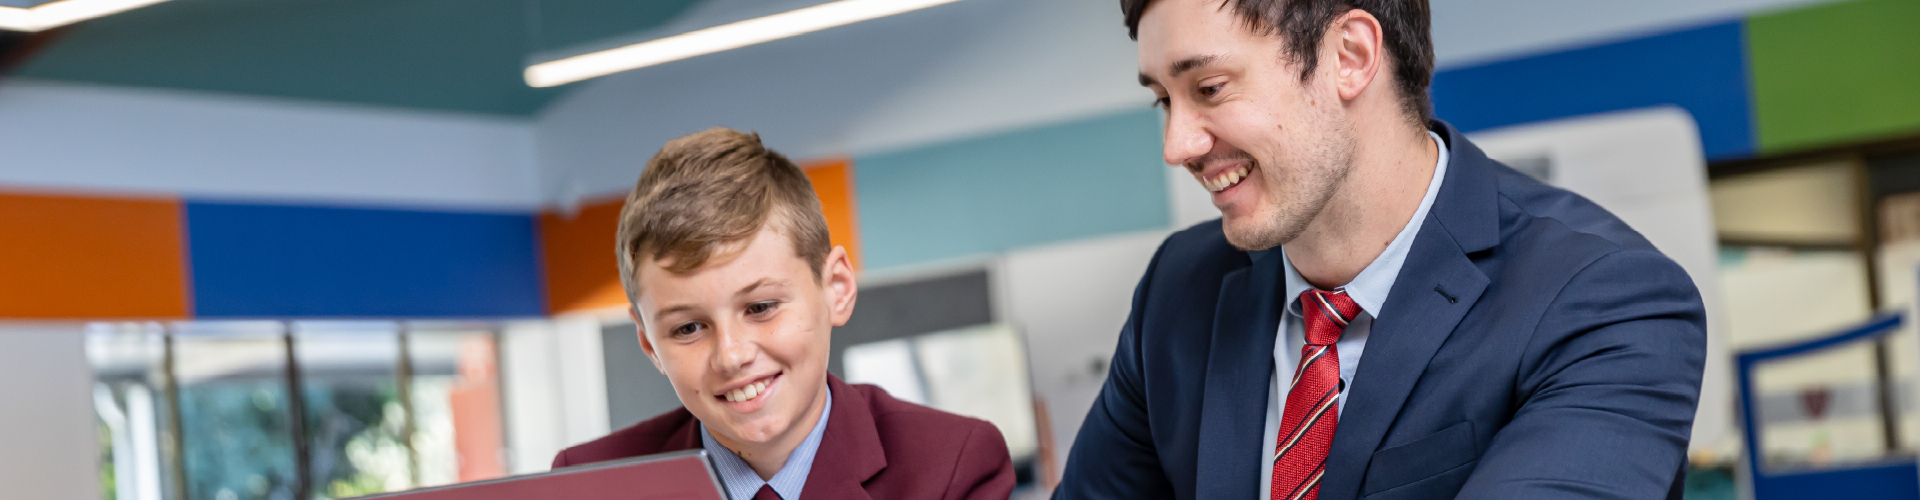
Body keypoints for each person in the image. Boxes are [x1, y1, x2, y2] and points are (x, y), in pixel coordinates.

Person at [1053, 0, 1707, 499]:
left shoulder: (1608, 301)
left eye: (1210, 88)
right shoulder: (1178, 291)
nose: (1176, 146)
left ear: (1351, 55)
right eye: (1163, 101)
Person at [552, 128, 1016, 500]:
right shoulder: (588, 486)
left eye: (760, 307)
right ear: (649, 344)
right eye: (688, 327)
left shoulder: (951, 468)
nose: (731, 355)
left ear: (835, 289)